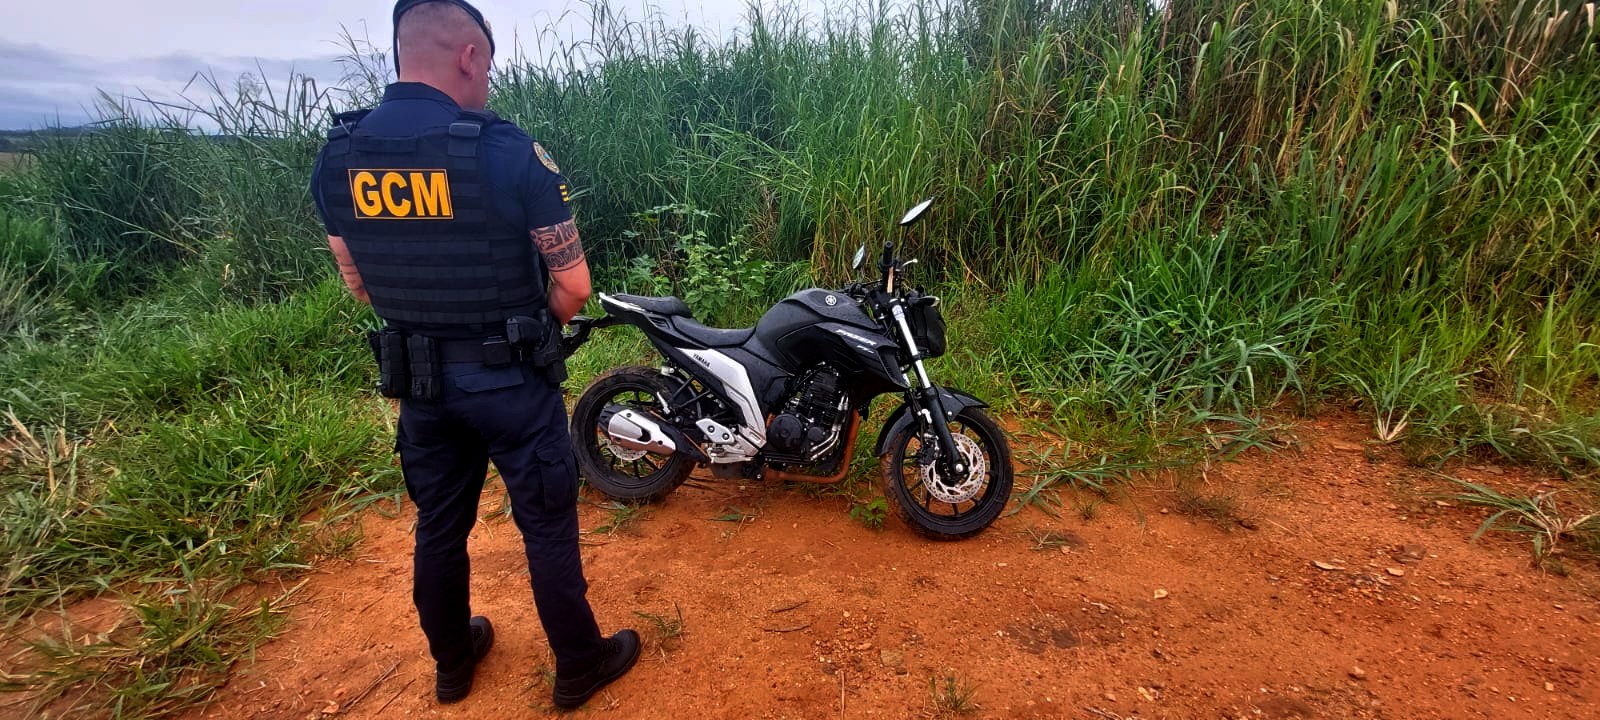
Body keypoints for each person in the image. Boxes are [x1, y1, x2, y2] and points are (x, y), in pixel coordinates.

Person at [308, 0, 639, 709]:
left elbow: (359, 284)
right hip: (510, 381)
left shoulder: (340, 158)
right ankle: (579, 662)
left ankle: (453, 663)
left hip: (420, 383)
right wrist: (532, 330)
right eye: (486, 65)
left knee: (439, 526)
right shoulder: (503, 149)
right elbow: (574, 284)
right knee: (546, 523)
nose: (487, 82)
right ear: (468, 57)